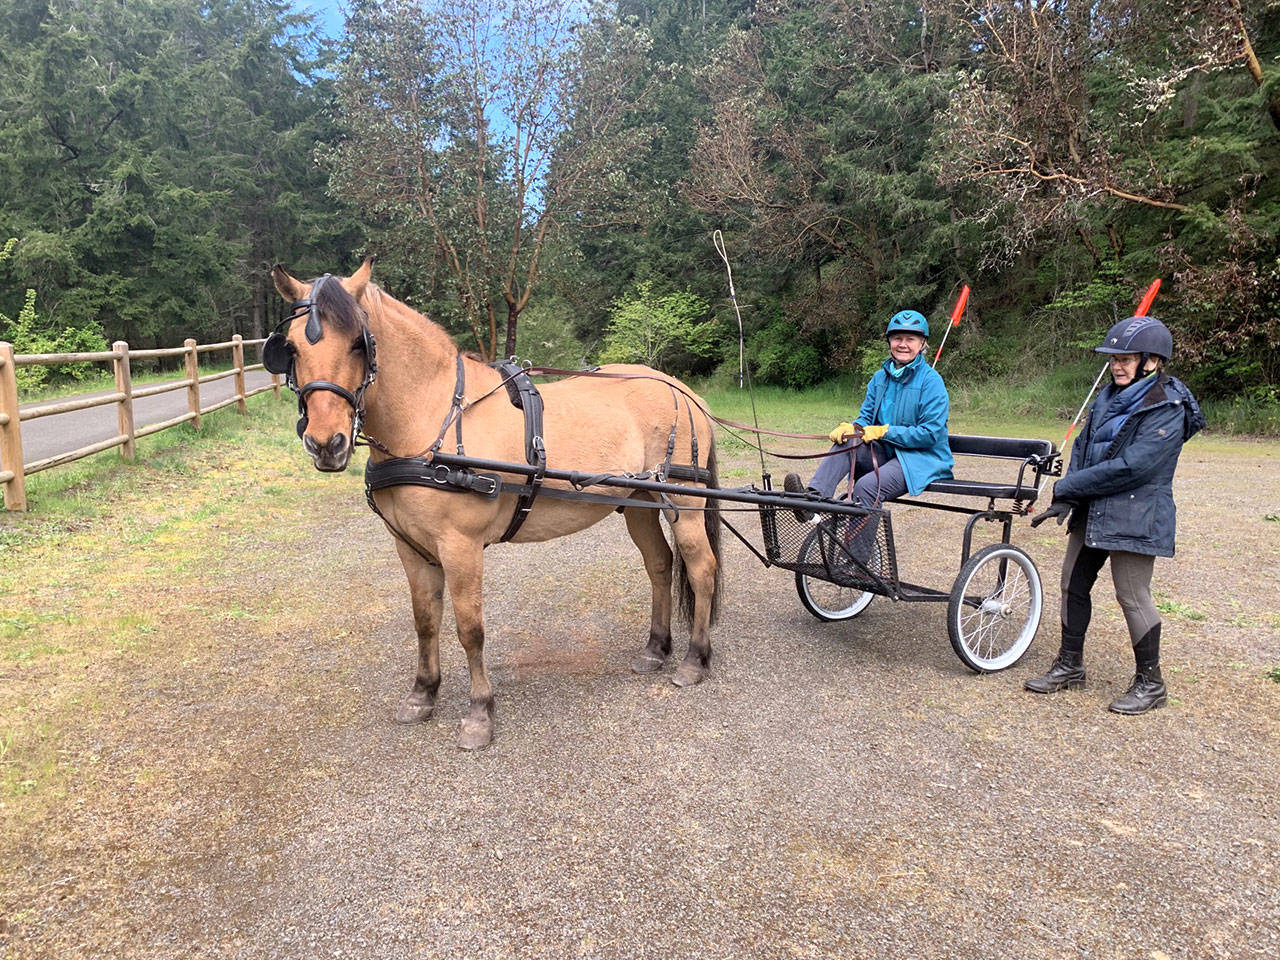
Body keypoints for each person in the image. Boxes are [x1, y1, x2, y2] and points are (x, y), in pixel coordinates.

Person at [1027, 315, 1204, 714]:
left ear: (1152, 361)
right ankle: (1070, 664)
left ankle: (1151, 682)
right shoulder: (1106, 398)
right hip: (1093, 507)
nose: (1117, 365)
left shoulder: (1167, 406)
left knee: (1131, 595)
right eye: (1113, 358)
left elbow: (1134, 467)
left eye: (1127, 358)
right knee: (1073, 584)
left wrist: (1070, 487)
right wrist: (1068, 498)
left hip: (1137, 512)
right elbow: (1086, 450)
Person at [784, 309, 953, 518]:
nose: (903, 344)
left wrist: (885, 432)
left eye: (910, 339)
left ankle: (858, 551)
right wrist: (853, 428)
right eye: (897, 338)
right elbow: (866, 418)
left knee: (866, 487)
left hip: (921, 458)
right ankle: (811, 502)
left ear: (922, 344)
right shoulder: (879, 378)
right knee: (847, 442)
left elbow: (929, 434)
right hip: (886, 452)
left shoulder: (931, 381)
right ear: (889, 341)